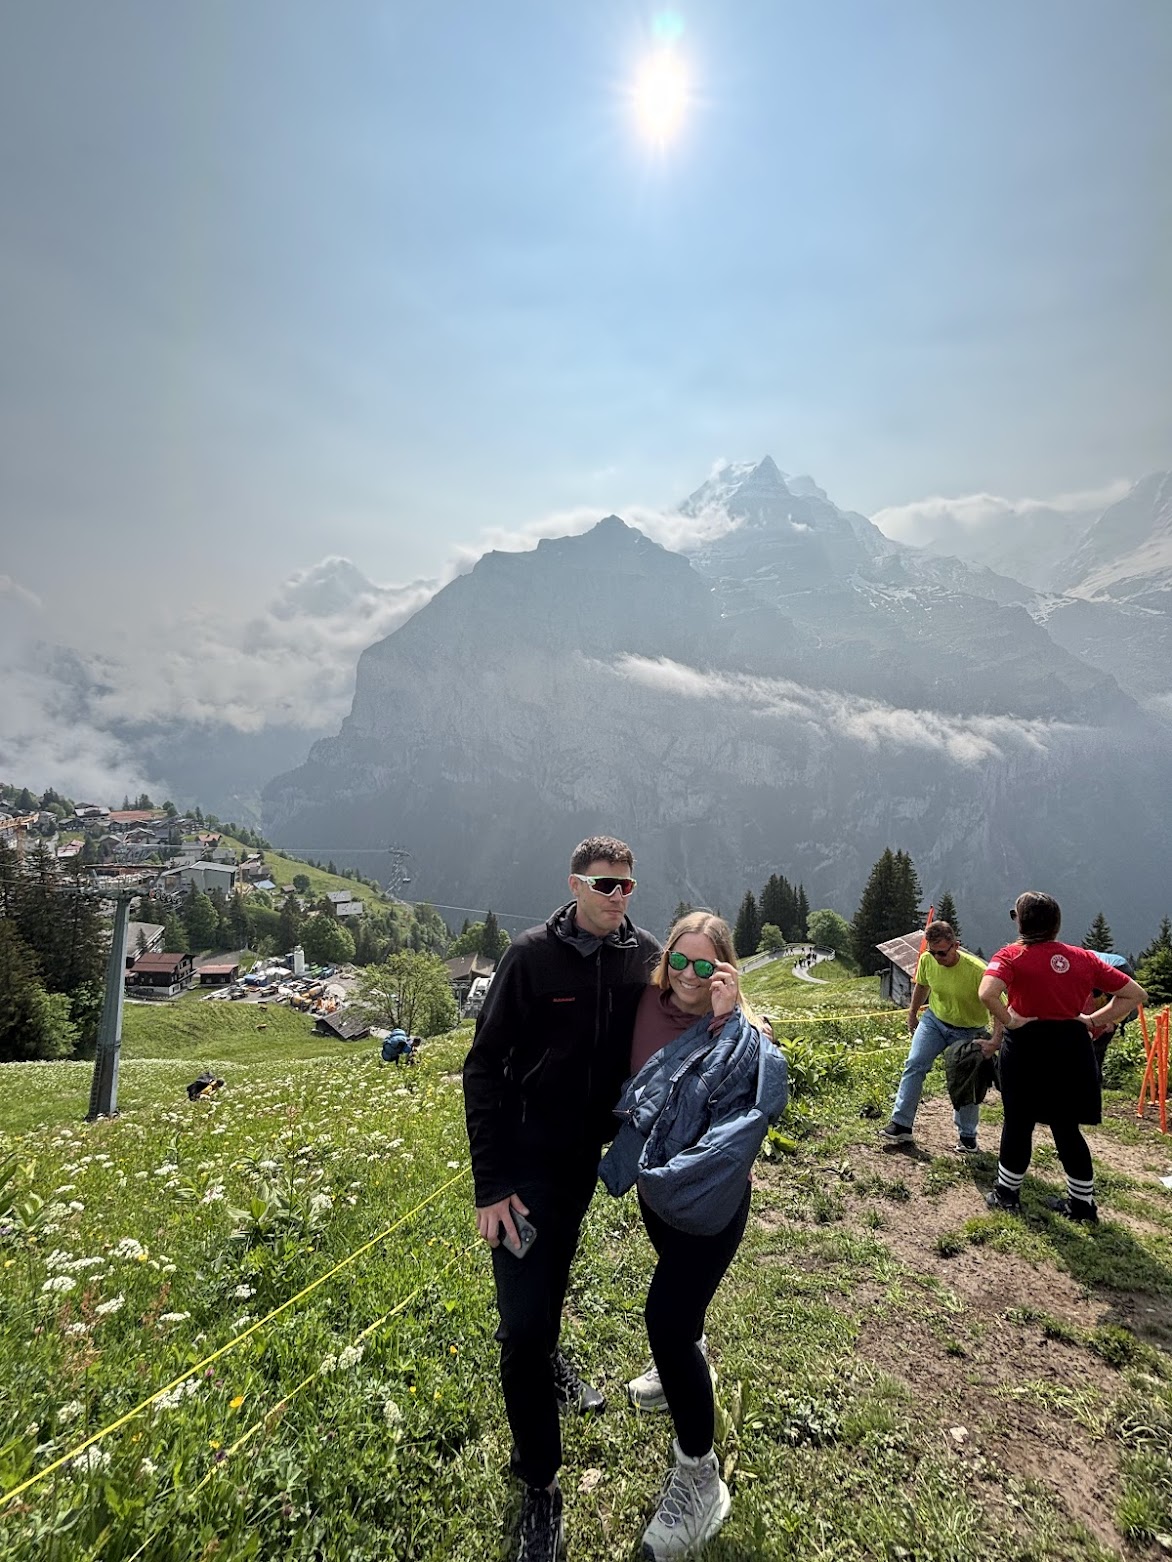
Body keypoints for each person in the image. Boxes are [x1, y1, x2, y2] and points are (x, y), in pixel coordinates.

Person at [463, 837, 661, 1562]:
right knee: (519, 1330)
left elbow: (686, 1009)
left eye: (628, 886)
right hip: (522, 1167)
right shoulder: (529, 957)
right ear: (575, 885)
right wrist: (491, 1186)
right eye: (605, 885)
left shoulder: (643, 956)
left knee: (551, 1289)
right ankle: (541, 1484)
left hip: (583, 1163)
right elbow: (481, 1068)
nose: (618, 897)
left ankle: (552, 1354)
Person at [599, 912, 788, 1561]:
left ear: (725, 972)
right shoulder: (647, 1014)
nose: (688, 975)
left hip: (710, 1210)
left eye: (705, 966)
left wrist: (732, 1017)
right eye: (679, 961)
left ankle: (700, 1480)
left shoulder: (744, 1036)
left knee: (665, 1319)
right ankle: (690, 1359)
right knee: (680, 1317)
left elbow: (752, 1100)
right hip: (658, 1199)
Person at [978, 891, 1146, 1221]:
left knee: (1018, 1122)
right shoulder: (1083, 957)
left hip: (1026, 1045)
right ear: (1057, 924)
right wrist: (1093, 1020)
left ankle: (1007, 1194)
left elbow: (987, 993)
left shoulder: (1012, 955)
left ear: (1021, 922)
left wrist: (1011, 1020)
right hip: (1071, 1047)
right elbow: (1134, 994)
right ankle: (1082, 1205)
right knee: (1067, 1127)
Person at [879, 921, 996, 1153]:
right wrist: (912, 1014)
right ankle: (901, 1124)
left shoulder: (978, 971)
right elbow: (921, 986)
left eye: (942, 952)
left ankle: (967, 1136)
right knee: (914, 1064)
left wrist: (996, 1041)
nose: (937, 958)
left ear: (956, 946)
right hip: (935, 1021)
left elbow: (998, 1007)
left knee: (966, 1080)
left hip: (969, 1029)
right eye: (933, 952)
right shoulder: (927, 959)